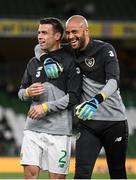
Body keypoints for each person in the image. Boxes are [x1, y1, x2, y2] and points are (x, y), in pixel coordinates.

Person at [64, 15, 129, 179]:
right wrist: (46, 59)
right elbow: (40, 47)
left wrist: (95, 100)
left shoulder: (105, 49)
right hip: (88, 124)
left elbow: (114, 82)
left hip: (114, 123)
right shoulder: (68, 50)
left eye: (74, 31)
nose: (70, 36)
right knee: (81, 175)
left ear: (86, 31)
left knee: (118, 173)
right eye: (67, 33)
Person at [18, 17, 81, 179]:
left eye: (45, 33)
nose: (40, 36)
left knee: (56, 178)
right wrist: (27, 92)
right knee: (29, 176)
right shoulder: (33, 62)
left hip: (59, 131)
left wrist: (45, 107)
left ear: (58, 36)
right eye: (39, 32)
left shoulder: (70, 61)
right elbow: (21, 92)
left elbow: (73, 97)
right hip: (33, 129)